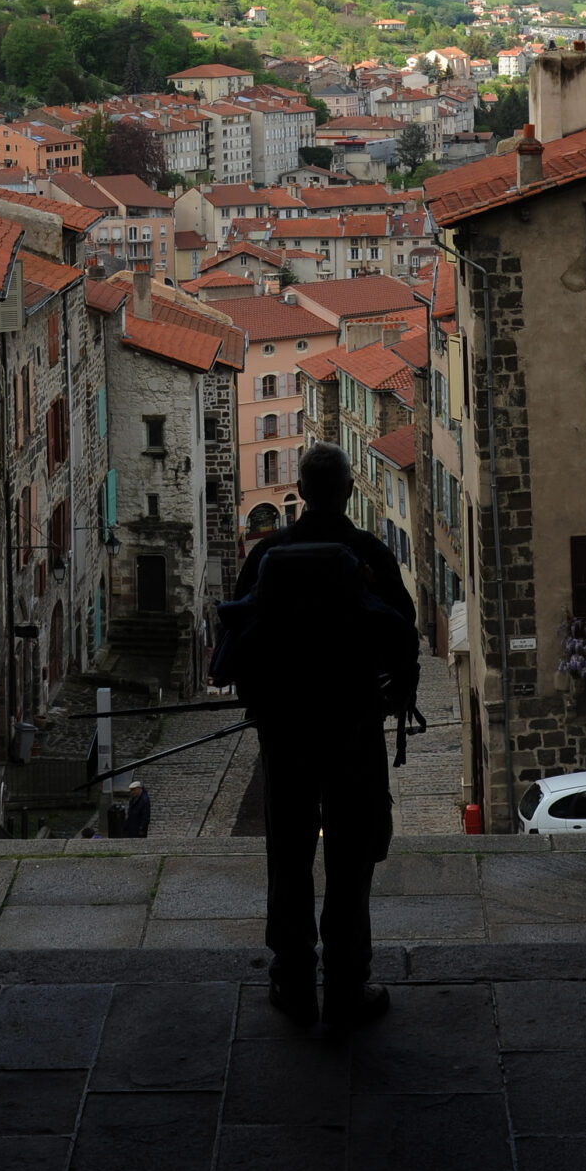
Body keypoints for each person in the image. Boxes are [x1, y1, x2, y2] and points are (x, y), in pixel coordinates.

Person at [225, 440, 419, 1032]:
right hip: (353, 726)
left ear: (302, 493)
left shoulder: (269, 553)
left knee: (288, 854)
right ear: (350, 491)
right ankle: (346, 983)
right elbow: (403, 633)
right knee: (351, 856)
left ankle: (292, 978)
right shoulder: (366, 552)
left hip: (286, 732)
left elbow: (236, 645)